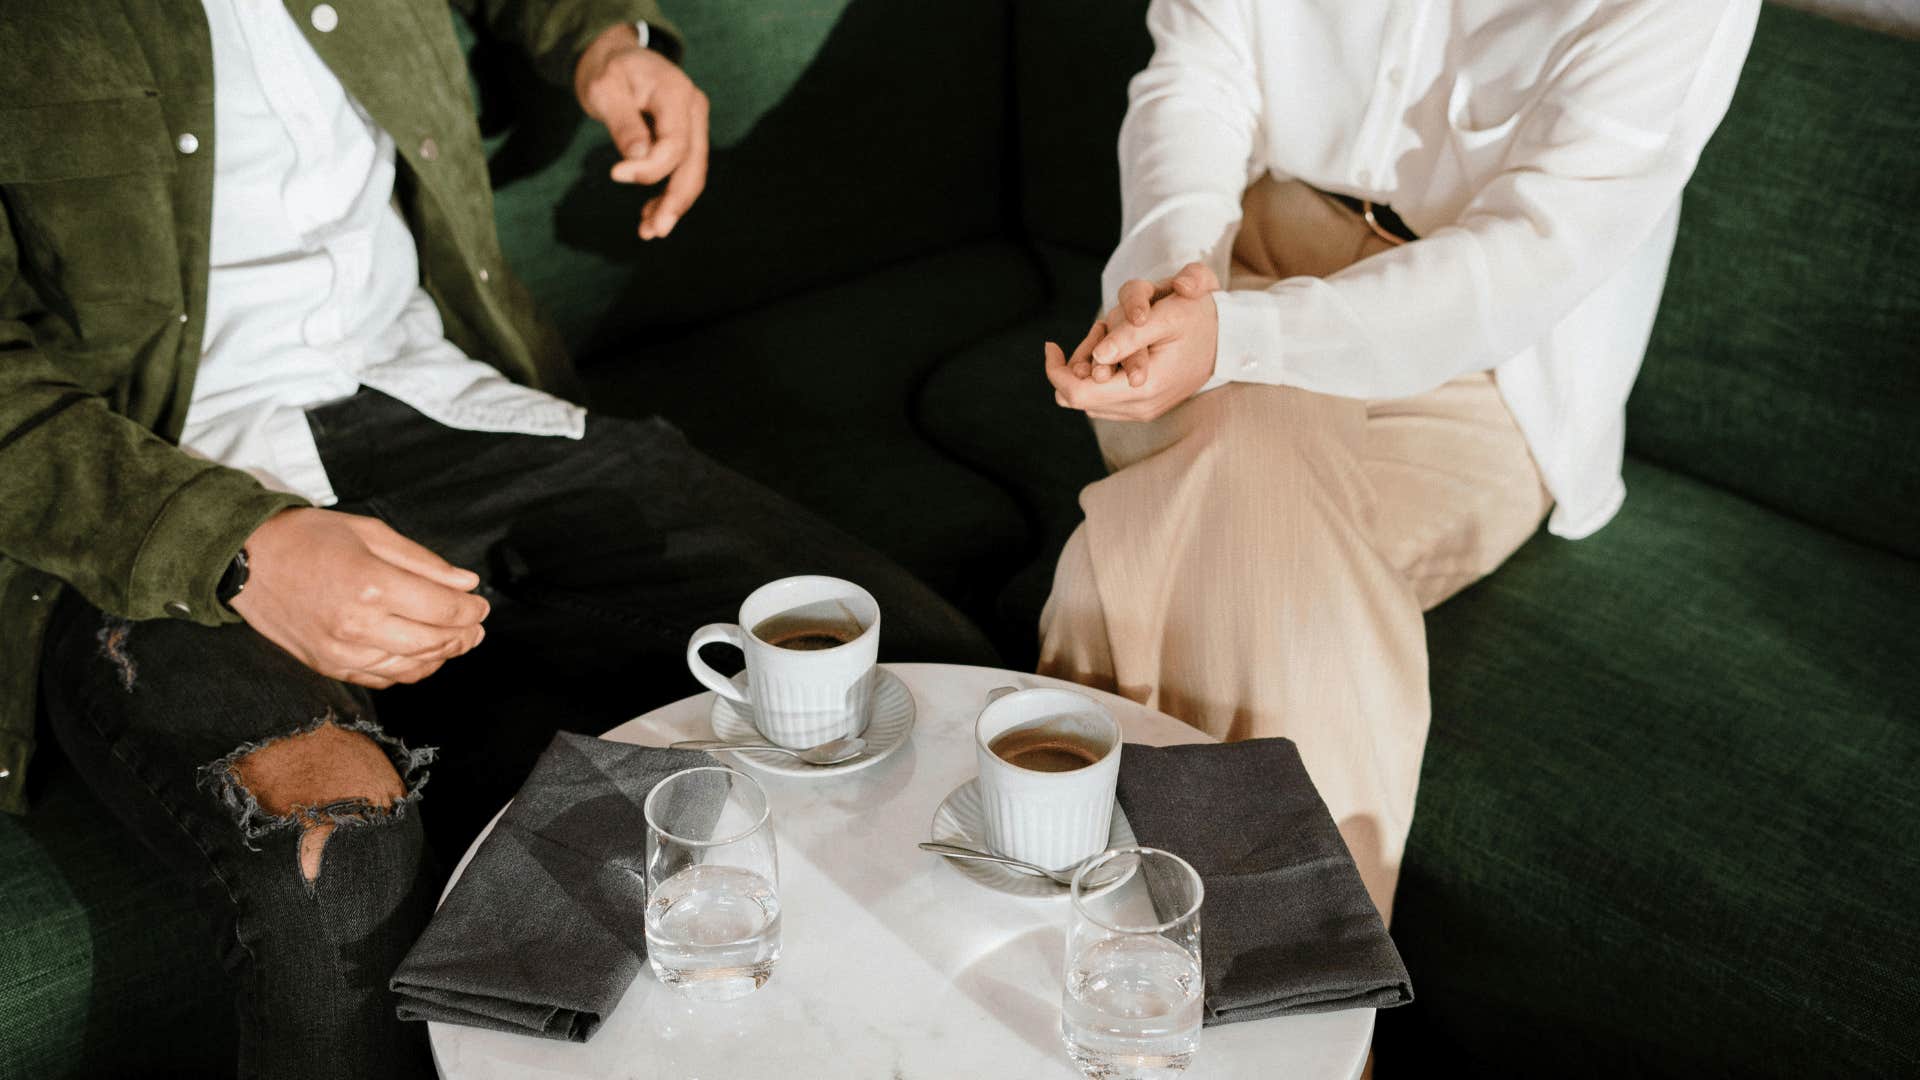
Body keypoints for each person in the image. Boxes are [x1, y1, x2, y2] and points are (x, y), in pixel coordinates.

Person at [0, 3, 993, 1076]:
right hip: (144, 492)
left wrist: (608, 38)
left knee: (925, 680)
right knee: (336, 859)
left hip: (446, 401)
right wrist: (236, 546)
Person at [1039, 0, 1759, 922]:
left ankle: (1065, 935)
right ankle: (1309, 1014)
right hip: (1239, 265)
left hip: (1492, 367)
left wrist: (1236, 343)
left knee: (1173, 552)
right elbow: (1198, 77)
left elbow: (1532, 255)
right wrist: (1169, 287)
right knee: (1258, 486)